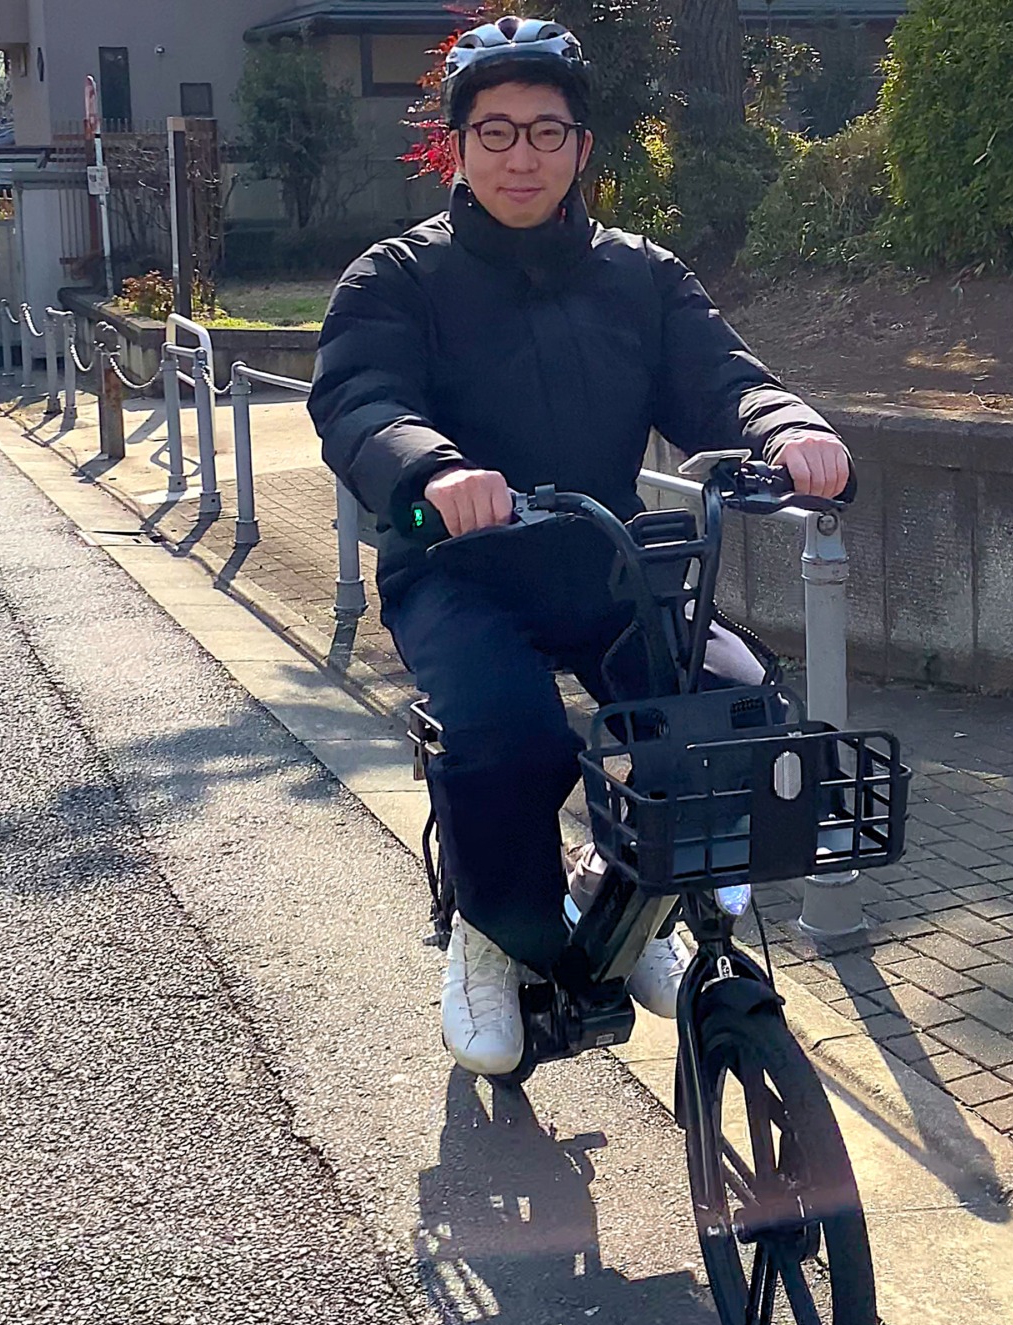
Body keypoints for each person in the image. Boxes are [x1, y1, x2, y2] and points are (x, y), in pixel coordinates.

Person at [309, 16, 854, 1076]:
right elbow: (360, 398)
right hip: (460, 572)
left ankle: (634, 910)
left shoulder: (640, 274)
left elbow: (722, 378)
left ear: (582, 146)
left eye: (547, 131)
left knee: (731, 704)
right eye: (497, 131)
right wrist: (432, 469)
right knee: (507, 734)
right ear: (457, 146)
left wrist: (784, 427)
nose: (523, 156)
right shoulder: (396, 277)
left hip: (606, 561)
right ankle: (491, 930)